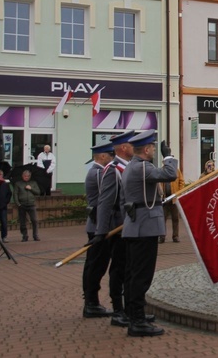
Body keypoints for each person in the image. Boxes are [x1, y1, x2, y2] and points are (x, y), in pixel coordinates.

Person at [121, 130, 178, 337]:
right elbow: (169, 174)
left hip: (136, 226)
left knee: (133, 274)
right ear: (146, 150)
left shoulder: (131, 167)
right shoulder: (142, 168)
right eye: (153, 148)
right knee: (141, 276)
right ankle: (136, 321)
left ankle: (133, 314)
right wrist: (169, 157)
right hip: (144, 228)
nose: (155, 150)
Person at [96, 130, 147, 328]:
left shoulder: (132, 167)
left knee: (132, 269)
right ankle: (118, 310)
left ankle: (132, 310)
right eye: (133, 145)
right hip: (119, 229)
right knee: (119, 269)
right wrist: (101, 231)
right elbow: (105, 202)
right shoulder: (113, 169)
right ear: (125, 148)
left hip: (131, 227)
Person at [81, 142, 115, 318]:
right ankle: (91, 302)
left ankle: (90, 301)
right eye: (110, 155)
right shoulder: (98, 173)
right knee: (96, 265)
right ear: (102, 156)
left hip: (96, 224)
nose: (112, 158)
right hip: (97, 226)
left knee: (94, 264)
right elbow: (105, 201)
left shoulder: (95, 171)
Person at [13, 169, 41, 241]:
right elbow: (15, 194)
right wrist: (18, 204)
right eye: (25, 176)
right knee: (22, 222)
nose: (26, 177)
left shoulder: (33, 183)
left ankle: (35, 235)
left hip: (31, 204)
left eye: (28, 176)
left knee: (34, 220)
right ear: (22, 176)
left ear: (30, 176)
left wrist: (31, 188)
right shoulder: (18, 183)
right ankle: (24, 236)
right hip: (22, 204)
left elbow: (38, 192)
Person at [160, 166, 183, 243]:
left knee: (175, 218)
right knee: (163, 219)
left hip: (174, 198)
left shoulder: (176, 170)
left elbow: (181, 182)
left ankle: (175, 236)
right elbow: (159, 182)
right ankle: (162, 237)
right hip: (164, 198)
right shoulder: (162, 170)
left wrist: (179, 192)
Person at [0, 169, 12, 242]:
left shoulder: (5, 184)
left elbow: (9, 194)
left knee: (4, 222)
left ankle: (4, 236)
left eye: (1, 174)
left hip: (3, 207)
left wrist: (6, 202)